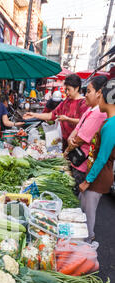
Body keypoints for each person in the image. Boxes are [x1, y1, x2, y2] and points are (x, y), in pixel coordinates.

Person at [78, 79, 115, 243]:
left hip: (100, 176)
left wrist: (87, 181)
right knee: (84, 207)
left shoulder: (111, 125)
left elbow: (102, 158)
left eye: (100, 96)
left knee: (89, 213)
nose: (97, 100)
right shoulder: (109, 121)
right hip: (96, 173)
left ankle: (87, 243)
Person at [64, 76, 108, 195]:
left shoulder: (99, 113)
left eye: (88, 91)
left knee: (78, 198)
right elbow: (78, 127)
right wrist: (70, 138)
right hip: (77, 161)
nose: (86, 95)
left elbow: (80, 139)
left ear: (99, 93)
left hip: (82, 164)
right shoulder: (90, 109)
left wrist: (66, 151)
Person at [23, 74, 88, 150]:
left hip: (76, 144)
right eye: (65, 89)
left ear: (76, 88)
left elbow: (84, 123)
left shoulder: (84, 103)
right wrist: (34, 115)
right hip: (64, 142)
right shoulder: (66, 102)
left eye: (68, 89)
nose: (66, 92)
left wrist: (67, 119)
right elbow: (51, 115)